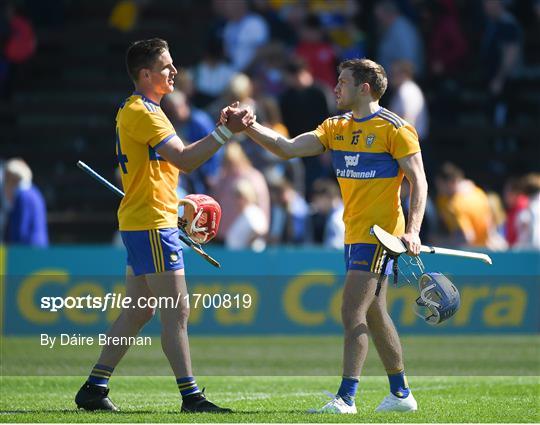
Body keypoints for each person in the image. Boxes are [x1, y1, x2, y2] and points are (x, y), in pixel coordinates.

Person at [224, 58, 428, 413]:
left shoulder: (395, 129)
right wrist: (250, 128)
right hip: (354, 233)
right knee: (375, 313)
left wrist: (412, 230)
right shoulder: (335, 126)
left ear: (364, 88)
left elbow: (419, 181)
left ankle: (347, 398)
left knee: (351, 312)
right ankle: (401, 394)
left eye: (342, 82)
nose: (335, 88)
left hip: (381, 236)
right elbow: (287, 148)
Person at [74, 38, 253, 413]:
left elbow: (164, 168)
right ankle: (192, 397)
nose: (175, 71)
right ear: (145, 73)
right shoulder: (146, 112)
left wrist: (219, 129)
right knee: (177, 311)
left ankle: (94, 387)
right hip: (152, 224)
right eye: (167, 66)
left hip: (148, 219)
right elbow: (185, 160)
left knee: (140, 309)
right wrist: (225, 132)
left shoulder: (142, 108)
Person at [3, 158, 48, 247]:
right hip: (38, 247)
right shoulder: (34, 191)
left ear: (12, 179)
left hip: (28, 251)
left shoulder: (22, 196)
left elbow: (20, 230)